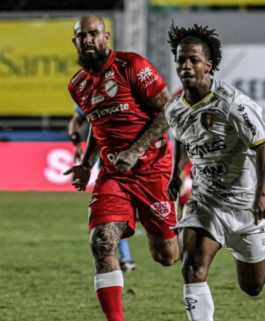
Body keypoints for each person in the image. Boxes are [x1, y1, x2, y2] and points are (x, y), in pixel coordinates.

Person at [63, 14, 180, 321]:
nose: (88, 40)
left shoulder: (132, 67)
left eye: (94, 33)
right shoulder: (77, 85)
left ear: (107, 37)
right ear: (75, 42)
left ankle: (198, 229)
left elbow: (167, 111)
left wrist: (135, 150)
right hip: (113, 175)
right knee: (102, 243)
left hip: (153, 170)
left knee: (166, 256)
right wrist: (87, 164)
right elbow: (96, 125)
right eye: (82, 36)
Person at [165, 23, 265, 321]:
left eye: (193, 60)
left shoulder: (234, 104)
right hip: (205, 201)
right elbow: (180, 139)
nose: (185, 65)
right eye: (180, 60)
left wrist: (262, 193)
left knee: (252, 288)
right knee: (192, 267)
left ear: (209, 64)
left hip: (244, 204)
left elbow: (264, 146)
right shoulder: (174, 108)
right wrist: (177, 173)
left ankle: (263, 241)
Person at [67, 104, 137, 272]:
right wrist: (77, 144)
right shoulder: (94, 96)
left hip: (145, 162)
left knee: (164, 250)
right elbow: (76, 121)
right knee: (115, 213)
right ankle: (126, 259)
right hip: (111, 165)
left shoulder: (139, 89)